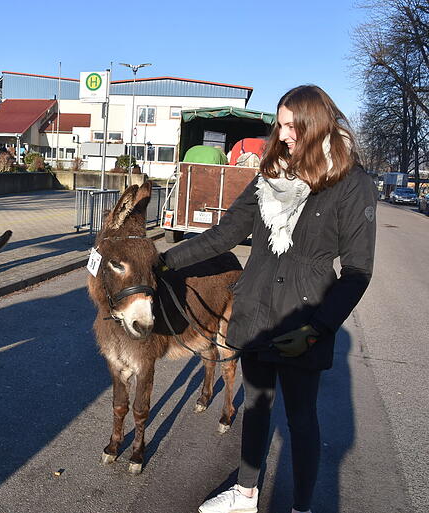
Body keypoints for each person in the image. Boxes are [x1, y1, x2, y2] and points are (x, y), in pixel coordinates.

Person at [160, 85, 377, 513]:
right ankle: (244, 496)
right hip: (256, 311)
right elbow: (225, 234)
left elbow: (357, 272)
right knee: (256, 407)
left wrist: (318, 328)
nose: (285, 134)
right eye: (281, 125)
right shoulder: (268, 176)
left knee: (301, 420)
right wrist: (164, 261)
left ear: (318, 126)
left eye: (293, 126)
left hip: (303, 317)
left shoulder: (352, 184)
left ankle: (301, 507)